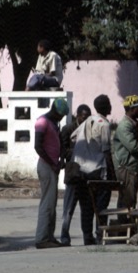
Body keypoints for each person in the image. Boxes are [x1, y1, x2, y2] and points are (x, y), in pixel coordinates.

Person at [72, 94, 115, 244]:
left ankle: (87, 237)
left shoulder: (86, 122)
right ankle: (100, 235)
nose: (111, 107)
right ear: (106, 107)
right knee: (101, 206)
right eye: (109, 104)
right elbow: (106, 151)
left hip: (82, 171)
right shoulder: (104, 124)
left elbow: (73, 137)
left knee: (86, 206)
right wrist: (113, 174)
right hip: (98, 171)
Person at [34, 97, 70, 249]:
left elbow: (58, 143)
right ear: (55, 112)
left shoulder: (54, 123)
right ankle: (42, 238)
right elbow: (38, 146)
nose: (61, 118)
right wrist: (53, 163)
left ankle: (49, 236)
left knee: (52, 203)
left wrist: (60, 159)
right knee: (47, 204)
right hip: (46, 166)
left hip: (52, 166)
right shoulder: (42, 122)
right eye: (60, 115)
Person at [59, 103, 92, 245]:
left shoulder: (91, 130)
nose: (86, 120)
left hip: (87, 174)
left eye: (88, 118)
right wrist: (77, 151)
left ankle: (88, 237)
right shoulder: (67, 130)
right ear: (77, 116)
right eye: (84, 117)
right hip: (73, 173)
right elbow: (62, 151)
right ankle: (64, 236)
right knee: (68, 209)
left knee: (87, 209)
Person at [112, 94, 138, 220]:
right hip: (126, 168)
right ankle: (123, 227)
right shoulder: (125, 126)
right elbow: (134, 147)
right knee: (127, 200)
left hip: (132, 167)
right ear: (132, 109)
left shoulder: (134, 123)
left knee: (131, 200)